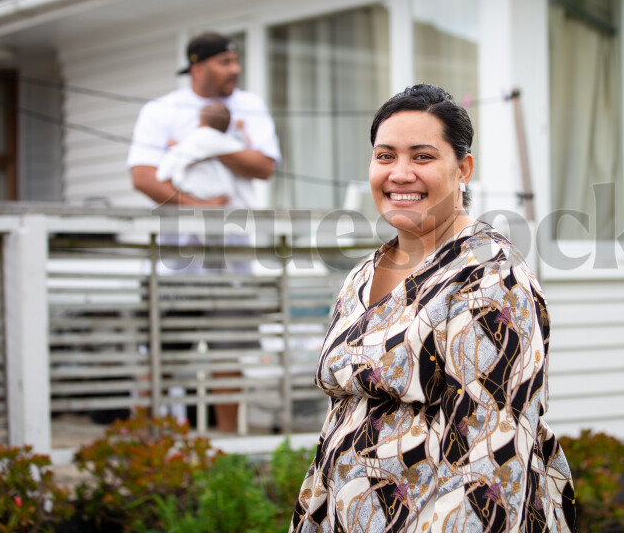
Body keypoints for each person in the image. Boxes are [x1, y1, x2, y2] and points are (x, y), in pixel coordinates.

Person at [290, 84, 575, 532]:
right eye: (385, 156)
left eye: (421, 157)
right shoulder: (362, 274)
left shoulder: (487, 278)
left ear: (463, 169)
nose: (400, 173)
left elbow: (491, 462)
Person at [128, 31, 281, 433]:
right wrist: (199, 207)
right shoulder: (161, 110)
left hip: (233, 261)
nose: (235, 69)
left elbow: (264, 165)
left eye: (235, 61)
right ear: (198, 67)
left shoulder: (251, 106)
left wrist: (207, 143)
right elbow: (144, 176)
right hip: (175, 262)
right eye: (224, 62)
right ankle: (139, 446)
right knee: (163, 357)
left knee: (228, 356)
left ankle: (227, 446)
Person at [155, 103, 259, 208]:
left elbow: (163, 173)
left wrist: (175, 147)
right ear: (227, 127)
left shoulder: (195, 139)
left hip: (195, 195)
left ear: (200, 121)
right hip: (225, 200)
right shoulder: (227, 142)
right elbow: (246, 149)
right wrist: (241, 130)